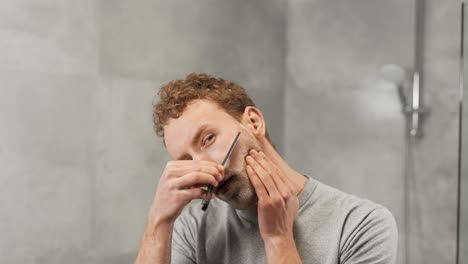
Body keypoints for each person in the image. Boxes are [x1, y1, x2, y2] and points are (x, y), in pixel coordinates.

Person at [135, 73, 398, 264]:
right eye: (187, 160)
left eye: (208, 139)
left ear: (253, 122)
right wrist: (158, 220)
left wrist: (278, 240)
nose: (203, 167)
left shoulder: (362, 224)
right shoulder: (193, 230)